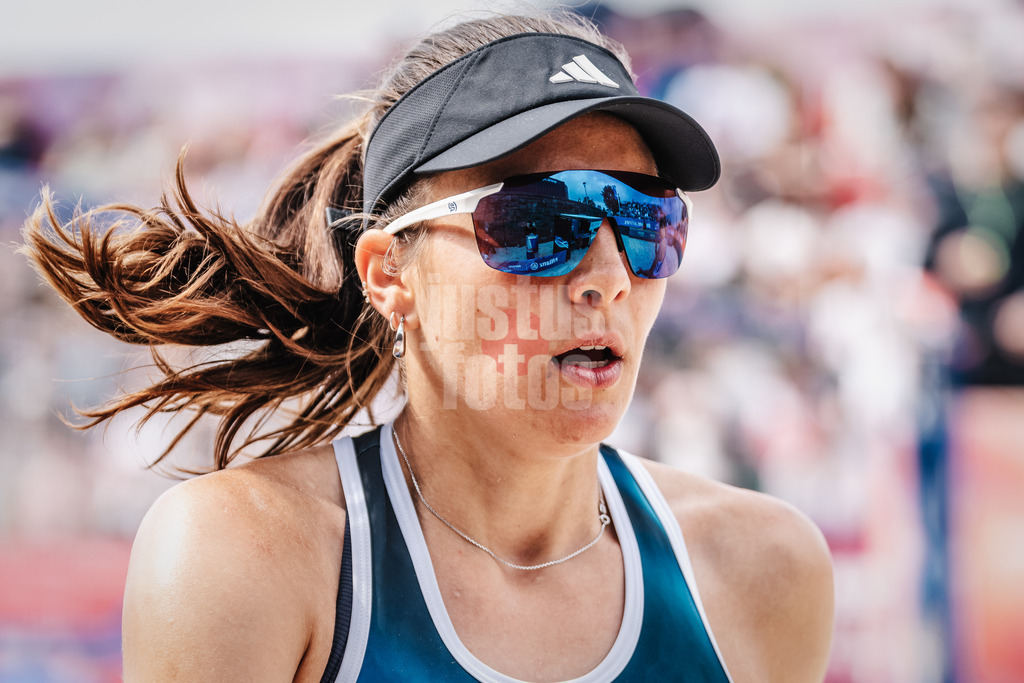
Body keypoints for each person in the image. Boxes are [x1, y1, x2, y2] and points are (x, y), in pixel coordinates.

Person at [22, 11, 833, 682]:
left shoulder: (763, 569)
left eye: (647, 222)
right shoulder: (249, 555)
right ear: (389, 273)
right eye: (539, 224)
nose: (608, 277)